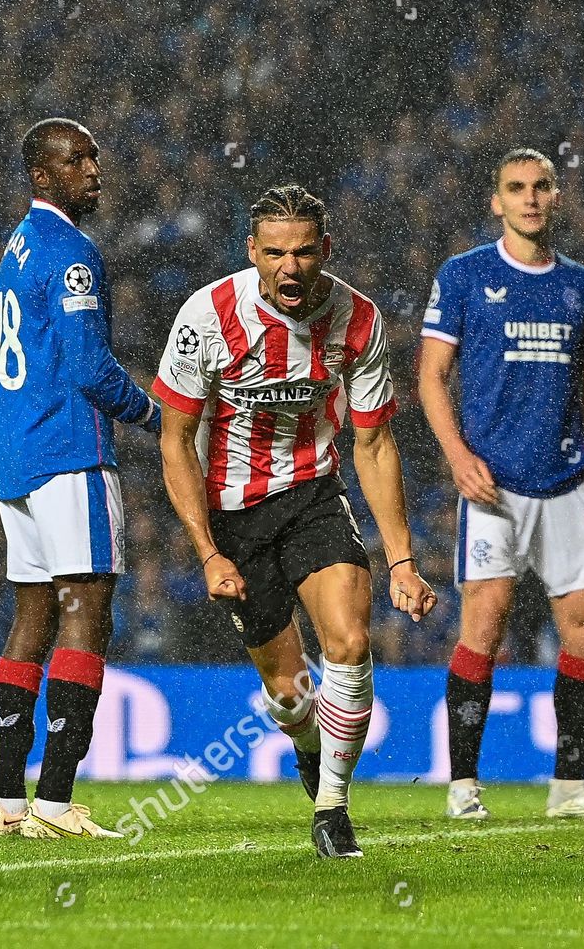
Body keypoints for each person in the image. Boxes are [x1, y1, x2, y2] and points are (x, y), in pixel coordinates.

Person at [154, 183, 437, 858]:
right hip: (231, 515)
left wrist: (401, 559)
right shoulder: (208, 316)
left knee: (347, 639)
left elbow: (372, 443)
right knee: (289, 695)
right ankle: (312, 751)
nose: (290, 266)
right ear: (252, 252)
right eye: (275, 252)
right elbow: (174, 442)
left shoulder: (358, 321)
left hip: (312, 493)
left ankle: (333, 807)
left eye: (305, 252)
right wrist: (207, 553)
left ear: (325, 251)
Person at [418, 148, 584, 822]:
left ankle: (570, 788)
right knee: (483, 621)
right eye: (516, 188)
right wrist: (456, 455)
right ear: (497, 202)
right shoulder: (464, 276)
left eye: (541, 187)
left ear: (557, 197)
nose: (530, 198)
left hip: (568, 479)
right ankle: (463, 787)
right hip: (493, 484)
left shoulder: (580, 285)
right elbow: (430, 376)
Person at [0, 118, 161, 839]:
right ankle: (55, 804)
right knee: (88, 613)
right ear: (41, 174)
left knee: (32, 620)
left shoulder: (17, 245)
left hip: (16, 456)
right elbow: (91, 370)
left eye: (94, 155)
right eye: (76, 158)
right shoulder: (71, 251)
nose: (95, 168)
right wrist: (158, 415)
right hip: (68, 452)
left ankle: (8, 802)